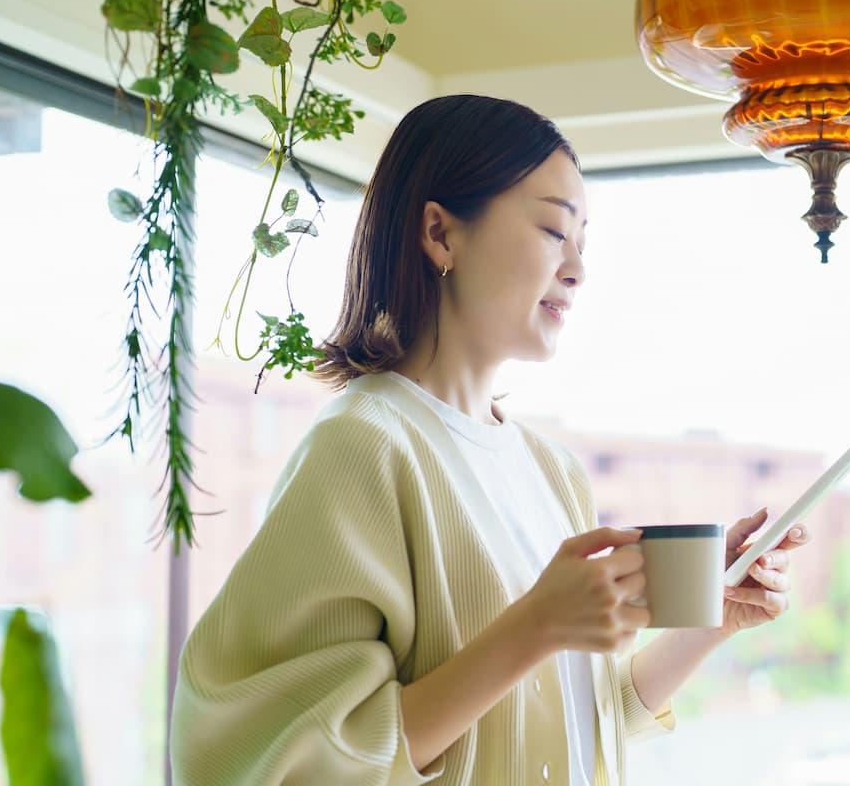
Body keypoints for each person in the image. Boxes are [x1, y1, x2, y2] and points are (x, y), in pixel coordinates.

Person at [170, 94, 810, 786]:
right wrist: (536, 625)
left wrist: (712, 621)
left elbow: (562, 724)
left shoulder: (552, 470)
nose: (577, 268)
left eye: (582, 244)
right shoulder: (362, 448)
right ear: (441, 235)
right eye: (551, 231)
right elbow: (295, 759)